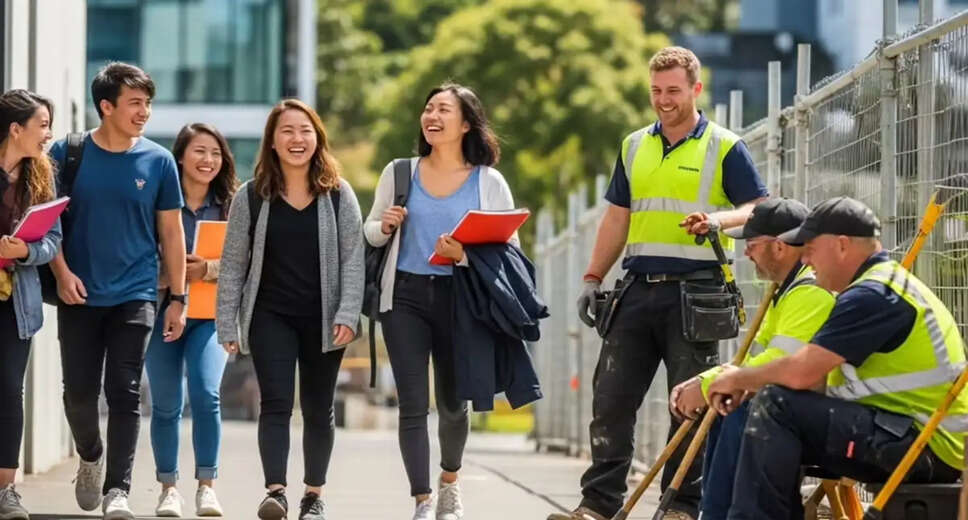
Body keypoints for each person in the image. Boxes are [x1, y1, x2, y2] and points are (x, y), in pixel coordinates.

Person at [551, 46, 768, 520]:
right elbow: (617, 217)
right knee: (611, 399)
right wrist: (592, 277)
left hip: (698, 292)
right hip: (637, 288)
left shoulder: (725, 146)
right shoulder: (633, 146)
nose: (664, 100)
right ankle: (597, 505)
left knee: (689, 404)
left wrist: (717, 220)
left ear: (695, 88)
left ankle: (680, 507)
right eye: (656, 91)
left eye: (673, 90)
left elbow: (758, 210)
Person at [708, 197, 967, 519]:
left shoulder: (874, 295)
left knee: (775, 405)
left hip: (923, 447)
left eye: (812, 248)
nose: (807, 259)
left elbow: (803, 373)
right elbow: (815, 379)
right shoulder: (875, 287)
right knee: (765, 403)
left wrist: (738, 378)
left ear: (842, 246)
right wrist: (750, 382)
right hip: (902, 432)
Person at [364, 83, 514, 520]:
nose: (431, 116)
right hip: (405, 296)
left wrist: (463, 255)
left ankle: (450, 481)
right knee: (413, 403)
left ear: (466, 123)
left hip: (460, 299)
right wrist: (385, 226)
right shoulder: (398, 173)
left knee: (453, 403)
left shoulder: (489, 181)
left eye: (443, 110)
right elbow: (369, 231)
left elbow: (508, 247)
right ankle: (422, 500)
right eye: (428, 108)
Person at [48, 62, 186, 520]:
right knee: (79, 395)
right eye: (134, 103)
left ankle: (118, 490)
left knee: (125, 391)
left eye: (147, 103)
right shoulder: (67, 154)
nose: (144, 111)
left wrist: (178, 298)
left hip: (136, 293)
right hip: (79, 292)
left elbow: (171, 234)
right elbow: (48, 224)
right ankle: (90, 455)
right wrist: (63, 274)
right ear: (106, 107)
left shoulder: (159, 161)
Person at [215, 98, 364, 520]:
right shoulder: (252, 196)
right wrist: (227, 320)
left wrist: (348, 313)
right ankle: (275, 492)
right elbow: (232, 264)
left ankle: (313, 496)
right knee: (276, 403)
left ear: (317, 138)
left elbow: (353, 258)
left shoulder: (338, 193)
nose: (297, 139)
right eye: (287, 131)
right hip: (270, 316)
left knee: (319, 408)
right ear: (273, 142)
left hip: (326, 319)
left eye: (305, 130)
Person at [666, 198, 835, 520]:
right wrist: (708, 381)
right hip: (797, 407)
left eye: (753, 244)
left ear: (780, 247)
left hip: (819, 414)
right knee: (730, 405)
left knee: (742, 408)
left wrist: (708, 385)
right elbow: (756, 364)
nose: (747, 252)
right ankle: (714, 512)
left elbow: (779, 365)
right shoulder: (784, 292)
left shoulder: (810, 292)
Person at [146, 123, 238, 517]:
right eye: (200, 151)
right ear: (180, 155)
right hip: (160, 313)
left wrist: (208, 270)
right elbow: (138, 255)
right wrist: (167, 275)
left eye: (216, 153)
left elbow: (245, 263)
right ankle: (168, 487)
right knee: (167, 404)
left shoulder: (234, 205)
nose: (208, 160)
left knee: (205, 393)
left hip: (209, 316)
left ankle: (206, 485)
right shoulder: (158, 200)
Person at [0, 89, 60, 520]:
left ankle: (6, 491)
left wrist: (25, 252)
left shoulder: (41, 176)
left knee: (7, 390)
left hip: (14, 302)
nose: (48, 135)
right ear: (15, 129)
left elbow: (53, 240)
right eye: (42, 125)